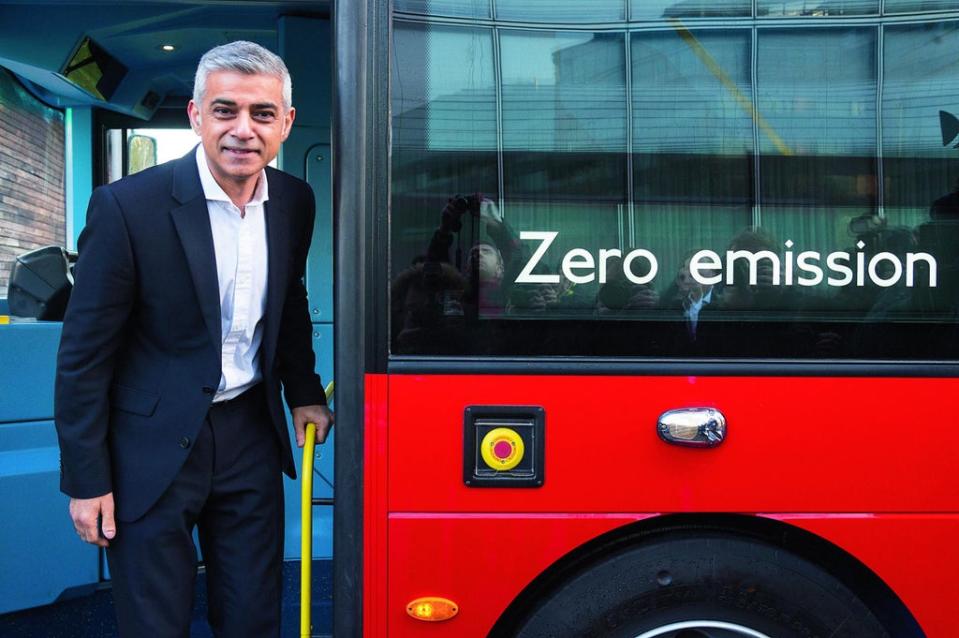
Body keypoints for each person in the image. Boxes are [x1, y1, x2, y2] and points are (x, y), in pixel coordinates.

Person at [54, 41, 332, 637]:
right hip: (147, 445)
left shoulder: (294, 203)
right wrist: (86, 480)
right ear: (195, 116)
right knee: (156, 621)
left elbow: (288, 304)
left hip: (250, 432)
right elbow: (83, 356)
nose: (243, 130)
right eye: (225, 110)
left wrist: (304, 391)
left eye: (261, 114)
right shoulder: (127, 208)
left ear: (285, 122)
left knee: (254, 614)